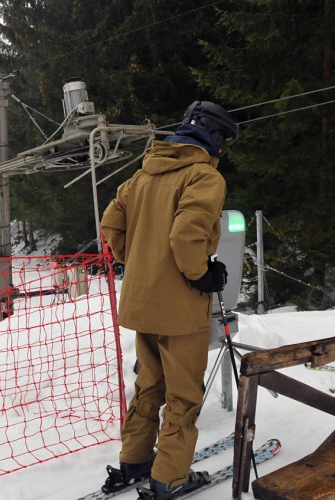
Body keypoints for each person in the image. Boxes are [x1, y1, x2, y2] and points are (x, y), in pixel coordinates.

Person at [100, 101, 237, 499]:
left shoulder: (142, 175)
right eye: (223, 141)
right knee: (183, 395)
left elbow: (111, 224)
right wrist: (201, 274)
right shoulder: (204, 177)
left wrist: (137, 262)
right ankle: (170, 477)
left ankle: (135, 461)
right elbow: (185, 236)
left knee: (149, 385)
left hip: (143, 303)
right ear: (214, 137)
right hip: (180, 308)